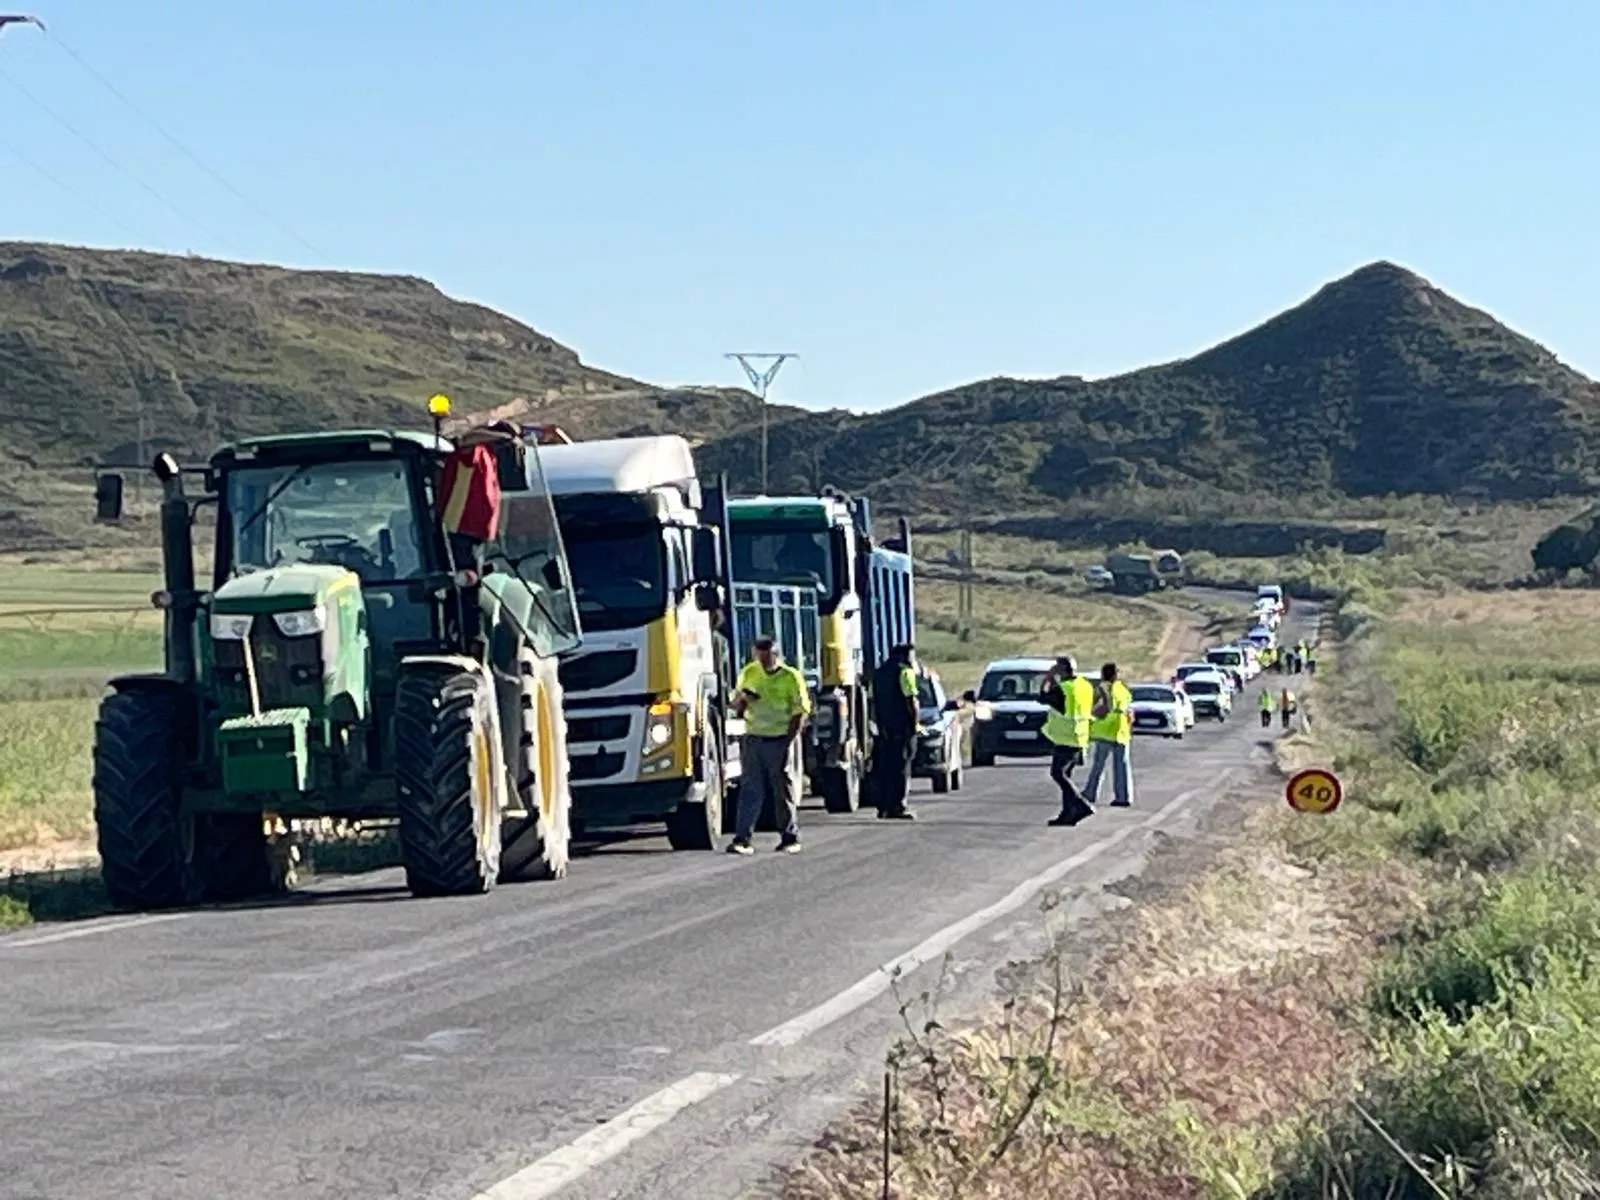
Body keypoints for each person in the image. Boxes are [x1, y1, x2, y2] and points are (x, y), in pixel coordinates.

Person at [728, 636, 811, 855]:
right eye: (760, 655)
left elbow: (800, 712)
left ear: (776, 654)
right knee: (750, 789)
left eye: (767, 655)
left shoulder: (790, 677)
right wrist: (743, 700)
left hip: (779, 738)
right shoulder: (749, 673)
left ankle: (790, 837)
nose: (763, 660)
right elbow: (735, 704)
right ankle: (742, 839)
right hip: (754, 738)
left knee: (781, 789)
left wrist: (788, 742)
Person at [1041, 654, 1095, 826]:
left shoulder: (1063, 688)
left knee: (1058, 774)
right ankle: (1067, 815)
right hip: (1080, 736)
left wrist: (1049, 677)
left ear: (1061, 670)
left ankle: (1081, 804)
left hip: (1065, 737)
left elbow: (1043, 696)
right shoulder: (1084, 685)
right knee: (1066, 775)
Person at [870, 643, 920, 820]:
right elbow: (911, 700)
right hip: (902, 726)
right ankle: (898, 806)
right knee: (902, 767)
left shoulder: (879, 673)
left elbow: (874, 702)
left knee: (885, 767)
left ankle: (883, 806)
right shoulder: (905, 672)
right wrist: (914, 725)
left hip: (884, 727)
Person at [1082, 662, 1134, 809]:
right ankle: (1123, 797)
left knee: (1099, 764)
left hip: (1105, 730)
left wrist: (1092, 714)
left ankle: (1090, 793)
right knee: (1122, 765)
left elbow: (1099, 705)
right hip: (1121, 730)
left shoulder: (1102, 688)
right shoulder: (1123, 689)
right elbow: (1129, 709)